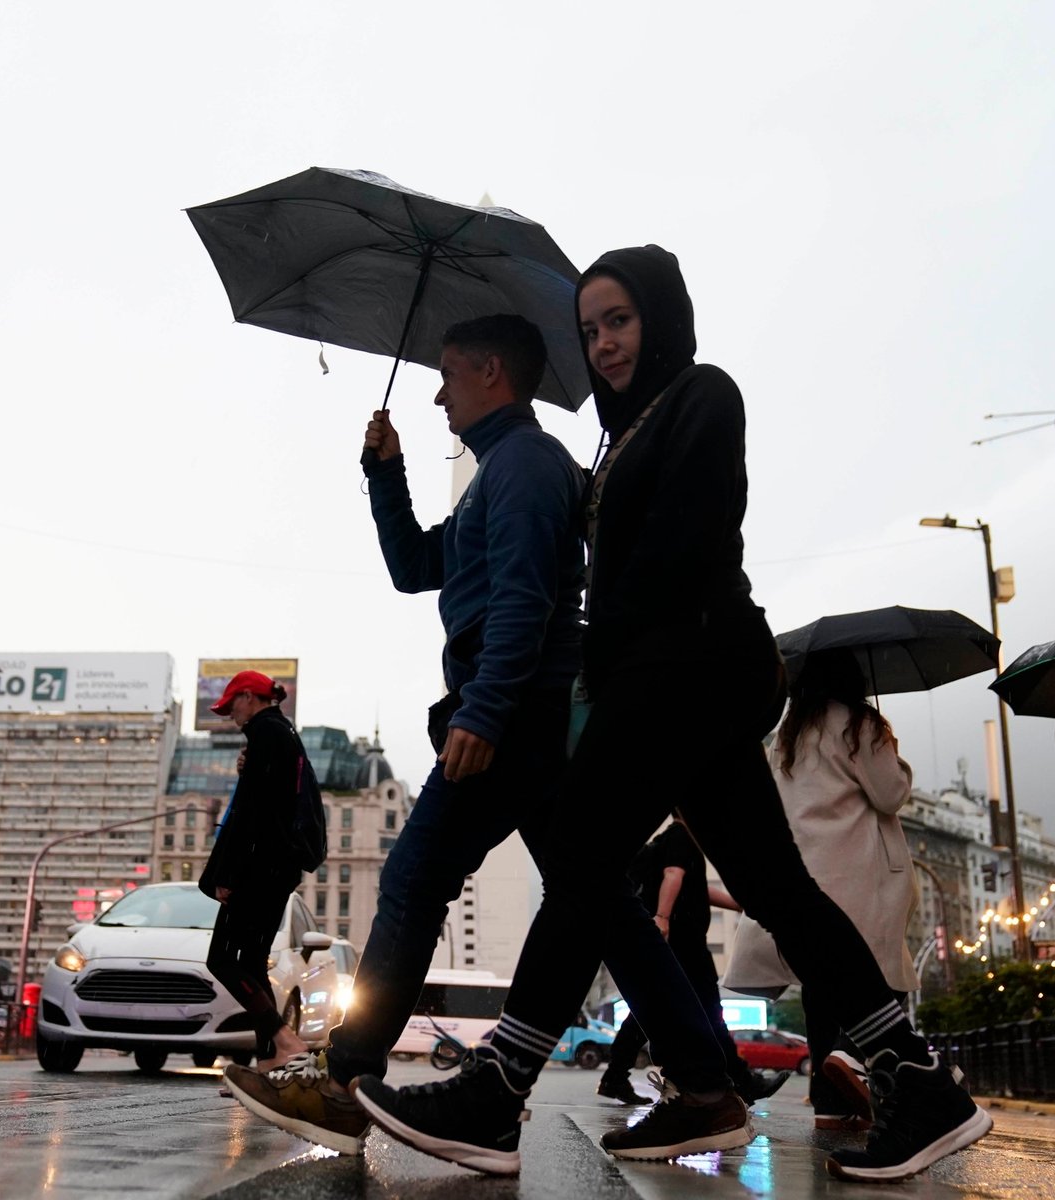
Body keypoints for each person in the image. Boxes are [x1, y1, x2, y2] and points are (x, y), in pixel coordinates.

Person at [352, 246, 989, 1181]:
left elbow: (681, 550)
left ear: (660, 316)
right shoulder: (618, 436)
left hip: (681, 670)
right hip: (668, 677)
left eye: (620, 320)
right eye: (590, 330)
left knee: (577, 860)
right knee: (777, 890)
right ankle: (915, 1078)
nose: (605, 344)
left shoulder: (701, 396)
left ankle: (499, 1090)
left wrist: (599, 677)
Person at [223, 314, 590, 1155]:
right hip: (516, 709)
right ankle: (706, 1071)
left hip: (517, 711)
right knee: (597, 898)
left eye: (450, 374)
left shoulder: (527, 464)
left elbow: (526, 600)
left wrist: (485, 709)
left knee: (419, 871)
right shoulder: (498, 472)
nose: (436, 391)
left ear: (492, 372)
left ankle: (346, 1077)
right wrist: (385, 475)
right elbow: (416, 568)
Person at [726, 650, 918, 1130]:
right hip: (856, 869)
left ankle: (830, 1104)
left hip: (805, 871)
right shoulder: (861, 725)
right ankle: (850, 1057)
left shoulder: (790, 733)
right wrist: (895, 755)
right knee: (881, 978)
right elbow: (889, 794)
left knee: (821, 985)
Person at [597, 815, 784, 1108]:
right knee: (709, 1010)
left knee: (650, 1008)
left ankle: (614, 1076)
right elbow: (674, 875)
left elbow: (695, 888)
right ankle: (743, 1083)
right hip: (685, 943)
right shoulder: (683, 837)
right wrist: (662, 917)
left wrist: (739, 905)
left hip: (674, 941)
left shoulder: (666, 842)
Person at [198, 669, 312, 1072]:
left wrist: (223, 874)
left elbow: (250, 814)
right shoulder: (284, 734)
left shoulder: (266, 735)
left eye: (232, 705)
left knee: (224, 960)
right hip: (279, 866)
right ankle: (269, 1061)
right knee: (252, 960)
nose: (230, 714)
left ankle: (285, 1040)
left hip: (257, 866)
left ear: (250, 696)